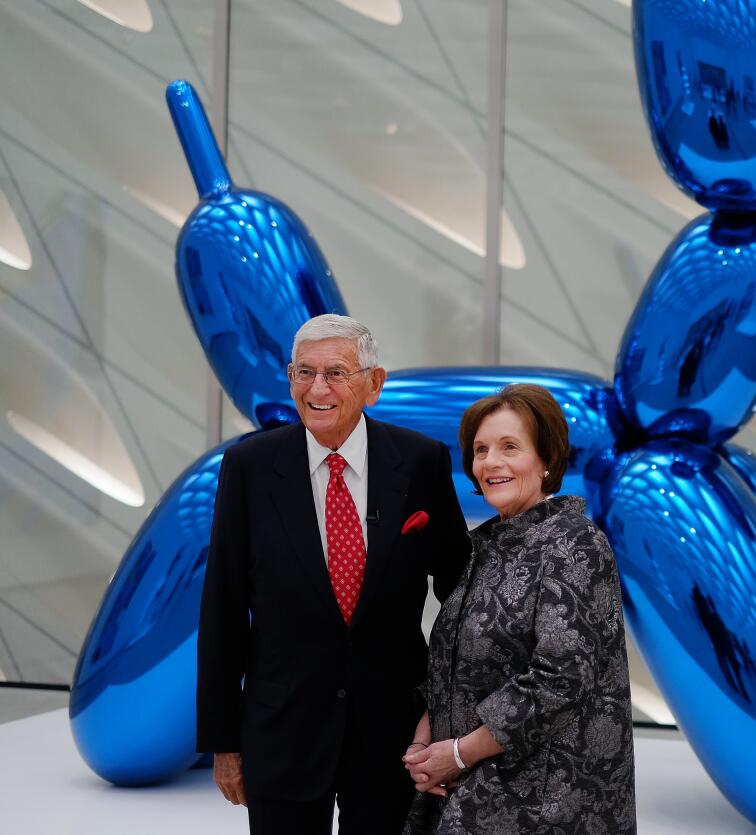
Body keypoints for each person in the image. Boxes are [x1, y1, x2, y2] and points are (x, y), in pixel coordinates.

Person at [196, 314, 471, 835]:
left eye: (336, 373)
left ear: (374, 383)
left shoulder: (420, 463)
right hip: (282, 729)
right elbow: (223, 609)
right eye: (305, 373)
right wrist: (224, 743)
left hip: (394, 733)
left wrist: (450, 712)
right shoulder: (249, 468)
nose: (317, 388)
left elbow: (459, 599)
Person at [402, 384, 636, 834]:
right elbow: (458, 663)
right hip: (473, 787)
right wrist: (424, 743)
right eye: (481, 450)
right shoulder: (487, 547)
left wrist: (456, 755)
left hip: (544, 803)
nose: (491, 462)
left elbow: (560, 678)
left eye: (510, 447)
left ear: (546, 459)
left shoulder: (573, 542)